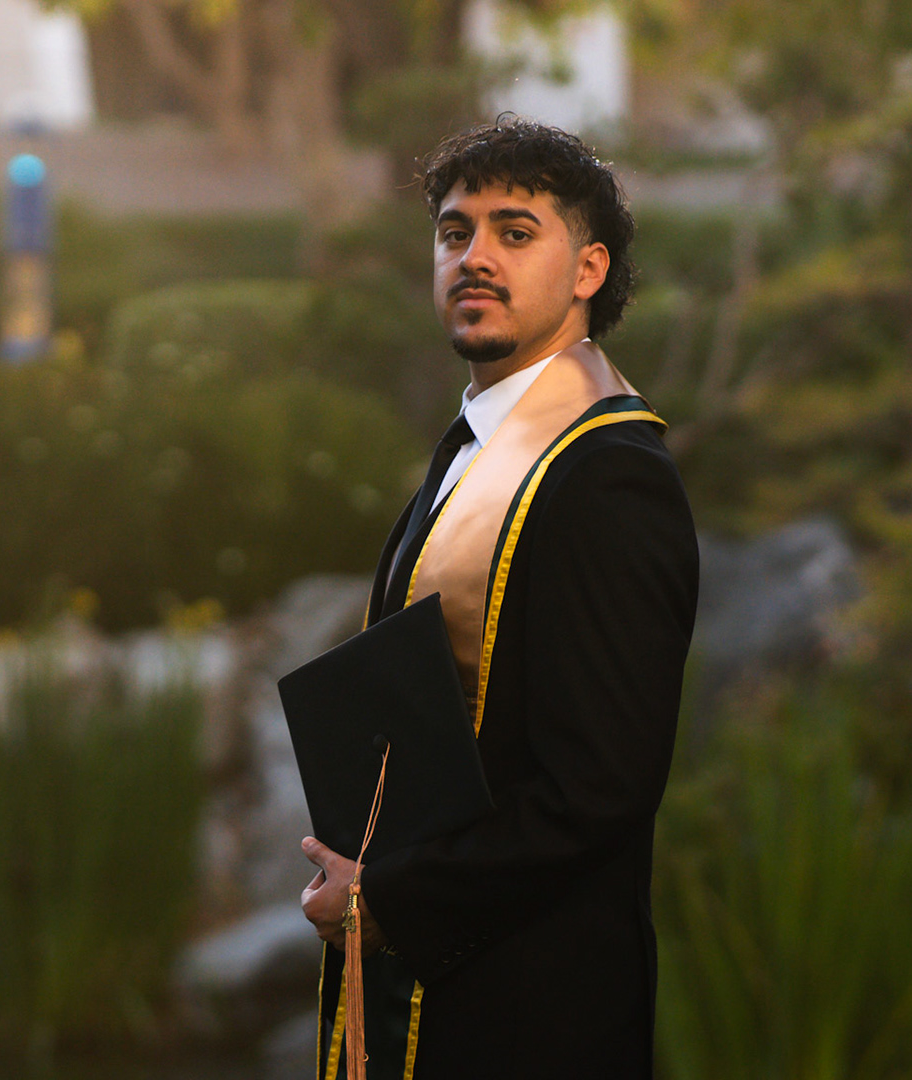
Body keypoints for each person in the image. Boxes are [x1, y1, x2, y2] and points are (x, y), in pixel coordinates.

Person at [296, 116, 700, 1079]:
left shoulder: (608, 477)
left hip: (533, 1017)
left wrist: (393, 901)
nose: (474, 256)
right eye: (455, 232)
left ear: (590, 269)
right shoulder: (474, 450)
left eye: (516, 233)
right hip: (450, 992)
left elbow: (598, 788)